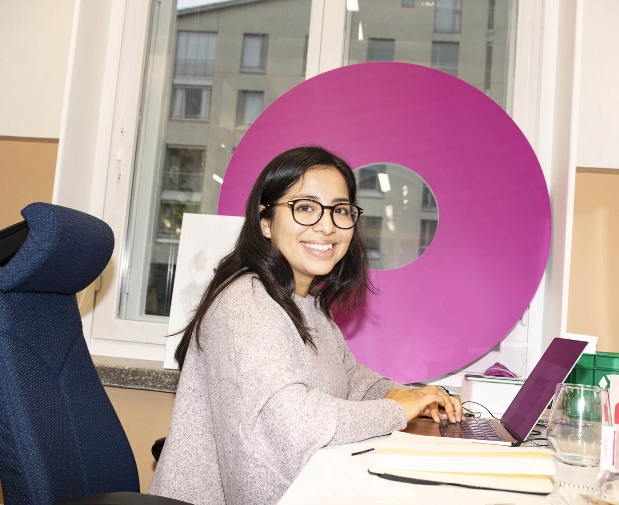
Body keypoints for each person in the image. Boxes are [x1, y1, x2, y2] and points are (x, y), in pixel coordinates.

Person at [149, 147, 462, 505]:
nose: (327, 226)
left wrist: (407, 395)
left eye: (340, 210)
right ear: (265, 222)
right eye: (306, 207)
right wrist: (396, 410)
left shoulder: (305, 299)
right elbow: (293, 422)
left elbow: (348, 376)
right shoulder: (246, 302)